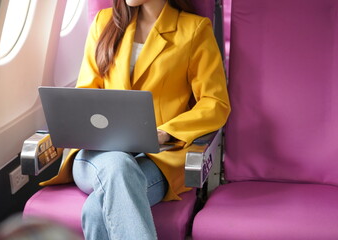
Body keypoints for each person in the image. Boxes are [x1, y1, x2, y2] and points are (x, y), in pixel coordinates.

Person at [40, 0, 231, 239]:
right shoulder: (104, 23)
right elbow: (86, 93)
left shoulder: (193, 29)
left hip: (158, 158)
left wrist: (166, 131)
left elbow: (215, 103)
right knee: (118, 165)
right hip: (96, 154)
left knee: (96, 211)